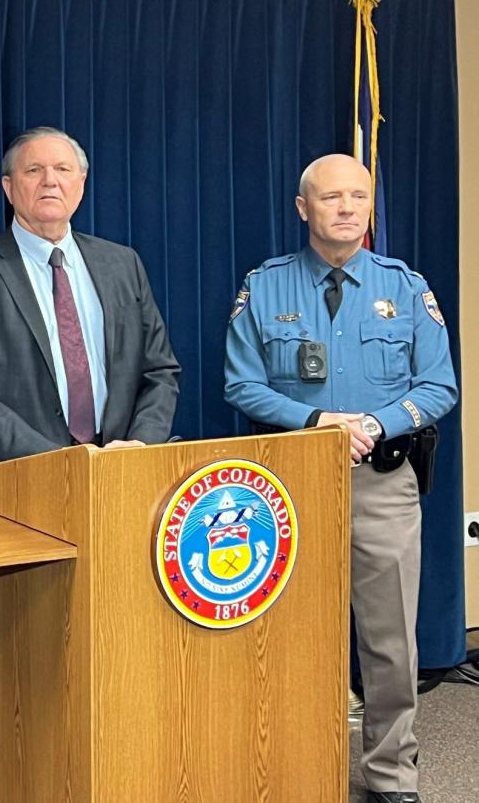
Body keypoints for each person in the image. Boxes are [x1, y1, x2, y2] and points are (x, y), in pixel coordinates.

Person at [0, 126, 180, 799]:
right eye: (33, 170)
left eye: (63, 169)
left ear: (82, 183)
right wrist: (66, 463)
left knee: (116, 664)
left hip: (121, 492)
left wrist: (136, 452)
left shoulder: (121, 263)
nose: (50, 181)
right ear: (8, 187)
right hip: (15, 502)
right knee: (18, 677)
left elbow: (161, 372)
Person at [224, 153, 457, 803]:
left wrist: (376, 424)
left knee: (389, 642)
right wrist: (318, 418)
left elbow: (439, 384)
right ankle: (292, 767)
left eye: (358, 195)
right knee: (285, 635)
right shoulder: (266, 287)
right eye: (331, 197)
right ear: (304, 208)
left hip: (381, 485)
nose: (347, 207)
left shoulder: (406, 286)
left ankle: (391, 774)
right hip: (287, 486)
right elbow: (241, 383)